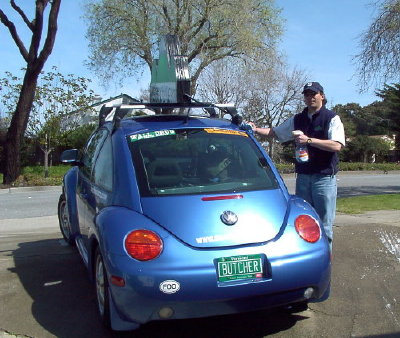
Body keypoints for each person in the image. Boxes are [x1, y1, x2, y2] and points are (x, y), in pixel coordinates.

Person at [249, 82, 345, 249]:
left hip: (324, 178)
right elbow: (275, 133)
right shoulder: (298, 119)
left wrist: (309, 140)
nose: (310, 97)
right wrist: (255, 129)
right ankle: (309, 258)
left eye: (313, 94)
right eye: (307, 95)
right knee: (304, 222)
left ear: (322, 95)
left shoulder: (331, 118)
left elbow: (337, 145)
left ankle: (325, 261)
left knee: (325, 225)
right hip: (303, 177)